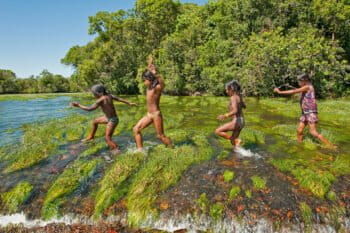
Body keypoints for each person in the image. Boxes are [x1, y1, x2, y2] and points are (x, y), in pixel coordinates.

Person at [71, 84, 137, 155]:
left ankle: (117, 150)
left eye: (94, 94)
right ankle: (91, 137)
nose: (94, 95)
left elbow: (89, 109)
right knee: (95, 121)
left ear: (100, 92)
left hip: (112, 120)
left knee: (107, 138)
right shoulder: (109, 95)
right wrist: (129, 103)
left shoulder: (100, 100)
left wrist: (78, 105)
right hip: (109, 118)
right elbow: (119, 99)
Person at [274, 73, 336, 148]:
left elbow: (294, 91)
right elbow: (298, 90)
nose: (298, 83)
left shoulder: (308, 86)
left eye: (299, 81)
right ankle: (299, 145)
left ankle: (330, 145)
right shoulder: (305, 87)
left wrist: (279, 92)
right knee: (299, 130)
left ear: (304, 80)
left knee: (313, 132)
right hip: (305, 113)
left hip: (310, 113)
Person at [133, 56, 172, 150]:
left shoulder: (156, 88)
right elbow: (149, 71)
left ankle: (172, 147)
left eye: (144, 80)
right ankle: (140, 151)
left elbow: (163, 84)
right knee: (136, 129)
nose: (143, 82)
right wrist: (150, 64)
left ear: (150, 80)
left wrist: (156, 74)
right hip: (149, 114)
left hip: (155, 115)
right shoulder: (149, 87)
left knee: (160, 136)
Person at [215, 80, 246, 148]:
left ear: (231, 89)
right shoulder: (239, 96)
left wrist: (225, 115)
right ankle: (238, 156)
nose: (226, 92)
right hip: (242, 121)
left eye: (227, 90)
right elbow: (244, 106)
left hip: (237, 121)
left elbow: (235, 110)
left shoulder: (233, 97)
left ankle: (236, 140)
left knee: (218, 131)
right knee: (233, 143)